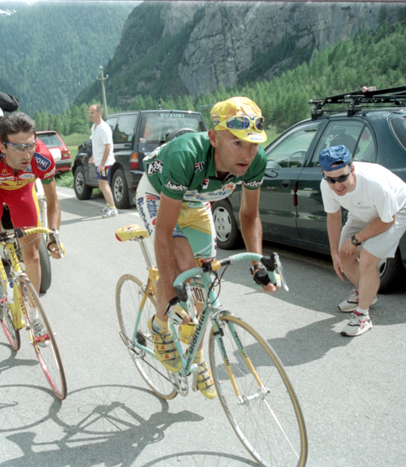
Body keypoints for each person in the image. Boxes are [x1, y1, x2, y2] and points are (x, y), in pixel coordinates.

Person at [135, 97, 279, 399]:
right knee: (183, 262)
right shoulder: (185, 155)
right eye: (237, 144)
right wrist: (172, 293)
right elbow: (164, 234)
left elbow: (250, 216)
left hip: (197, 202)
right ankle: (160, 327)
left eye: (253, 145)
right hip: (157, 196)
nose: (247, 154)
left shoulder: (256, 161)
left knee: (203, 283)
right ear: (214, 138)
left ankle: (198, 359)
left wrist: (258, 265)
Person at [0, 112, 62, 316]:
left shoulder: (42, 158)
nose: (26, 154)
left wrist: (53, 235)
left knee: (34, 257)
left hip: (22, 192)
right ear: (3, 147)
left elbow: (53, 203)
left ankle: (35, 314)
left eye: (30, 145)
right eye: (18, 148)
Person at [319, 145, 406, 337]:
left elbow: (388, 220)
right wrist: (334, 253)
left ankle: (362, 316)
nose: (337, 184)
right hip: (363, 210)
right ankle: (366, 295)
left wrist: (356, 240)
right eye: (331, 179)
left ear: (352, 169)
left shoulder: (375, 184)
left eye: (342, 177)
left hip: (396, 211)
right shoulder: (327, 185)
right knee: (344, 255)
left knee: (368, 259)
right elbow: (333, 217)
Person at [87, 104, 117, 218]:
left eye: (92, 113)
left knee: (104, 185)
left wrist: (103, 164)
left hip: (105, 163)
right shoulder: (94, 127)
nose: (90, 115)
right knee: (101, 184)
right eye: (89, 113)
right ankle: (109, 205)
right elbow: (96, 144)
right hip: (99, 162)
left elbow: (108, 147)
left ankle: (113, 209)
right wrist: (93, 157)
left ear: (99, 113)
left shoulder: (104, 128)